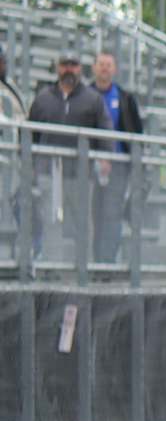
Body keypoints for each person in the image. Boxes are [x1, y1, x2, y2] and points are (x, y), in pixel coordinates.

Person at [26, 52, 113, 261]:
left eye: (73, 65)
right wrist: (30, 164)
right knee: (51, 223)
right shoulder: (43, 98)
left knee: (83, 223)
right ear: (58, 68)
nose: (69, 70)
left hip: (80, 175)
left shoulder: (93, 99)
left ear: (80, 69)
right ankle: (52, 271)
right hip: (49, 173)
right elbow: (30, 134)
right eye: (65, 65)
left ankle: (84, 269)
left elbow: (105, 131)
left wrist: (105, 158)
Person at [87, 51, 143, 266]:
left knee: (111, 216)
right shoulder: (84, 95)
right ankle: (92, 262)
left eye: (109, 64)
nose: (105, 68)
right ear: (93, 68)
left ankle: (106, 264)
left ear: (115, 69)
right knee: (94, 216)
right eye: (101, 64)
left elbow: (137, 131)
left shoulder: (125, 98)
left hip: (118, 167)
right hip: (88, 165)